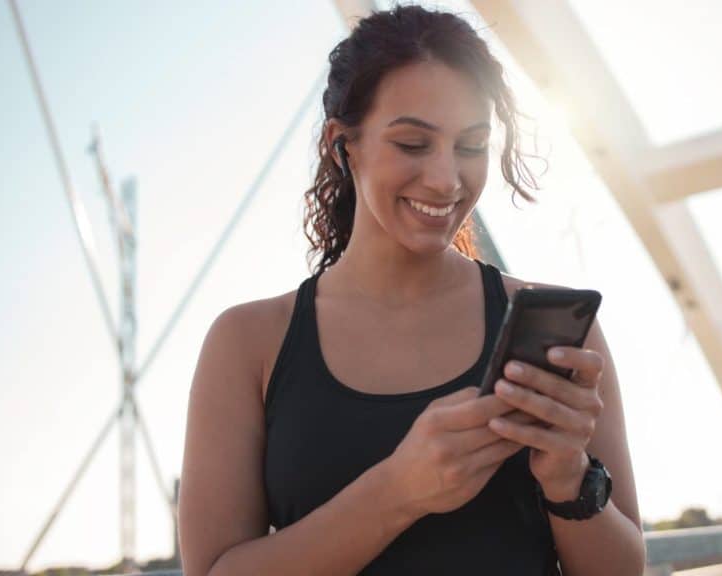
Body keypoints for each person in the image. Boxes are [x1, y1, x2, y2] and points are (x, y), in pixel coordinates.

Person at [178, 5, 643, 575]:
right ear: (342, 145)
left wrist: (568, 478)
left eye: (470, 146)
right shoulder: (247, 344)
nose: (447, 179)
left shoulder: (563, 333)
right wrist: (398, 492)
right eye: (413, 144)